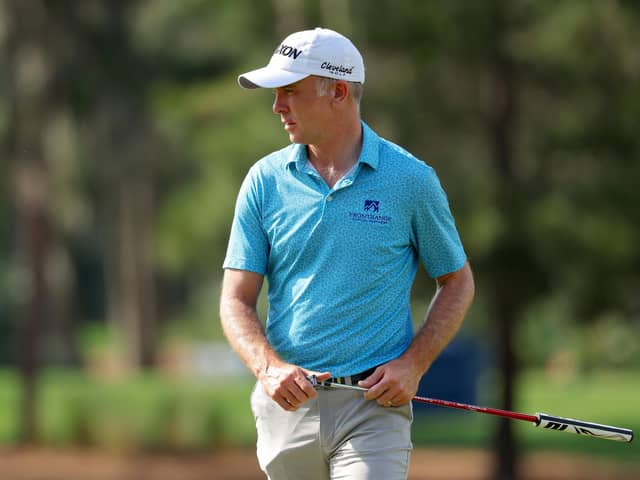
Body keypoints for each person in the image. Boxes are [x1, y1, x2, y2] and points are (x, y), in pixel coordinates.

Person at [220, 27, 475, 480]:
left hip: (372, 410)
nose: (277, 107)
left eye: (290, 93)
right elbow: (235, 299)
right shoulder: (264, 181)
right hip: (287, 408)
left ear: (337, 91)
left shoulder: (410, 181)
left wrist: (413, 365)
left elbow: (457, 282)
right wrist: (268, 368)